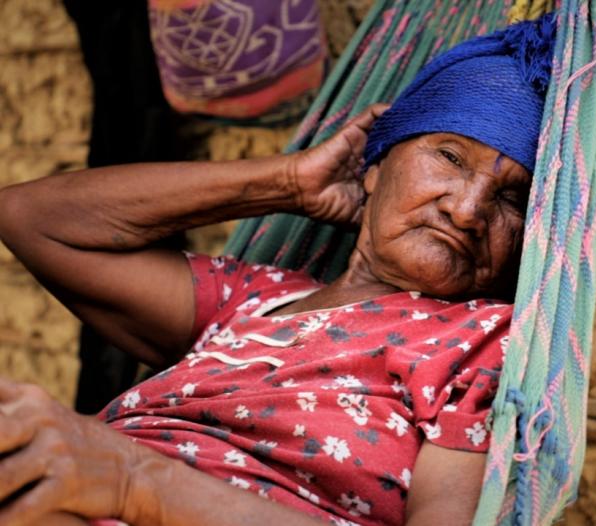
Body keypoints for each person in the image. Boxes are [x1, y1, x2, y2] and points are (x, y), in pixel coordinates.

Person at [0, 14, 554, 526]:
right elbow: (30, 218)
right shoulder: (253, 300)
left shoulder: (481, 346)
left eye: (512, 198)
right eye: (450, 157)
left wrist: (135, 479)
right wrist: (289, 182)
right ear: (374, 168)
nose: (468, 209)